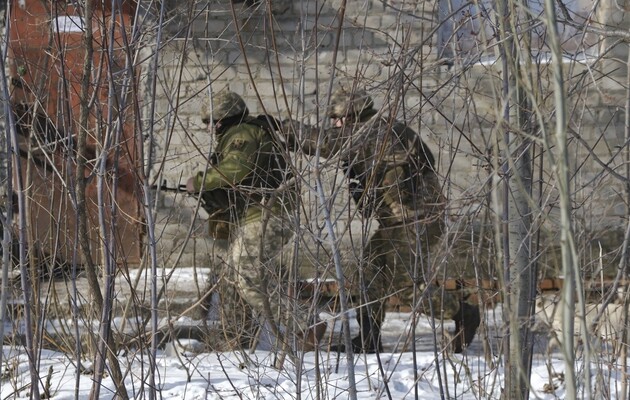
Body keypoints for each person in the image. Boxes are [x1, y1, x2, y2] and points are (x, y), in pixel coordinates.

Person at [283, 85, 480, 353]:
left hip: (416, 222)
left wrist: (284, 129)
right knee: (369, 273)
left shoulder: (375, 132)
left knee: (407, 284)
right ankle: (368, 338)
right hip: (398, 222)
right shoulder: (377, 131)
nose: (334, 125)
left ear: (352, 116)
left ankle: (462, 312)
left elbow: (327, 143)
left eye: (336, 119)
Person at [186, 90, 324, 351]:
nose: (207, 128)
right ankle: (238, 338)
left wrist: (200, 180)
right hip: (258, 214)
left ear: (223, 118)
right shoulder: (243, 132)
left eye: (210, 122)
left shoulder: (242, 134)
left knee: (248, 278)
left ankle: (305, 324)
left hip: (266, 214)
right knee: (233, 277)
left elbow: (236, 170)